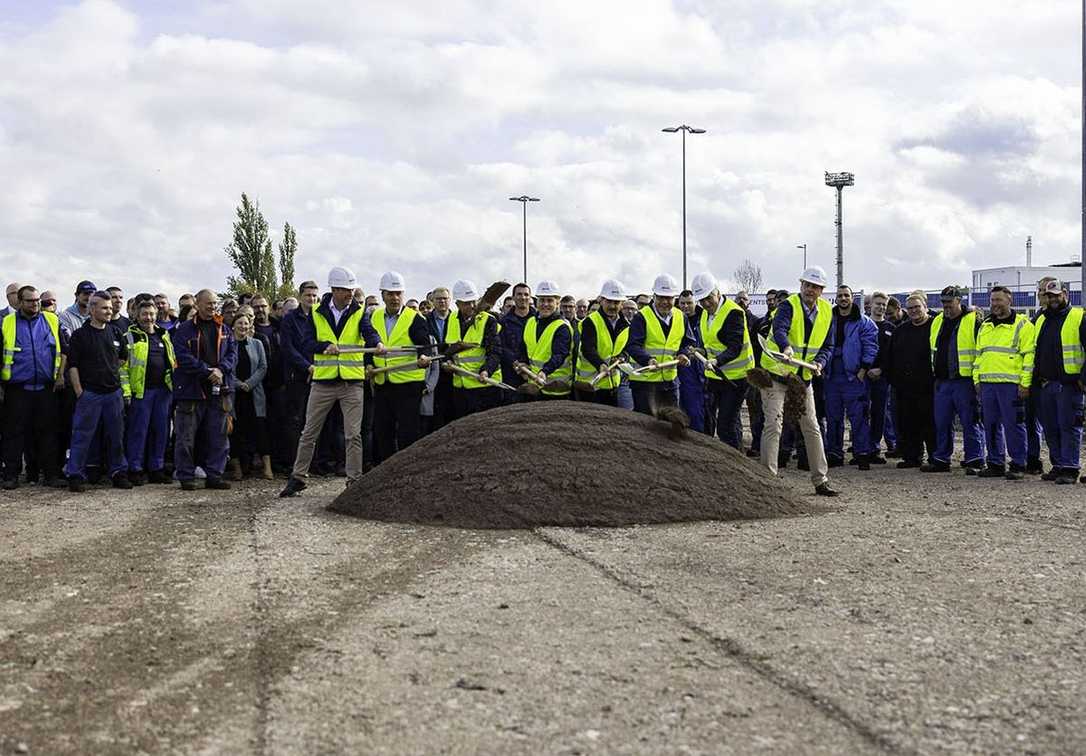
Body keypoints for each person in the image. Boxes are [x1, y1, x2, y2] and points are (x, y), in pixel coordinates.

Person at [758, 266, 837, 497]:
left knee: (811, 427)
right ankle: (768, 483)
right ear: (801, 285)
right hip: (776, 375)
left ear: (821, 290)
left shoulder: (826, 312)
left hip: (803, 379)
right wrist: (786, 347)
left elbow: (828, 346)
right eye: (807, 285)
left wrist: (821, 362)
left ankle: (821, 480)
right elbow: (779, 329)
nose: (810, 290)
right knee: (774, 425)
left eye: (815, 287)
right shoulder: (788, 305)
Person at [362, 271, 434, 463]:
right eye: (390, 294)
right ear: (383, 295)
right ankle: (384, 471)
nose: (395, 298)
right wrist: (368, 364)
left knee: (408, 432)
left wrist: (424, 356)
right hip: (382, 383)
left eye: (398, 293)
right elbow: (367, 347)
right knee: (382, 430)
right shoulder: (373, 317)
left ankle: (407, 468)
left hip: (408, 385)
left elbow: (424, 344)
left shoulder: (415, 318)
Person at [172, 289, 237, 491]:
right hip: (192, 391)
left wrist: (221, 370)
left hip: (219, 391)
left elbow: (233, 355)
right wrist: (207, 371)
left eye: (215, 303)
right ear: (197, 304)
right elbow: (183, 357)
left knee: (219, 436)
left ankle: (214, 475)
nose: (212, 307)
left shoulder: (225, 329)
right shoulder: (183, 330)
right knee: (186, 437)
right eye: (208, 303)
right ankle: (186, 475)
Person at [65, 291, 130, 492]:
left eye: (110, 308)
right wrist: (79, 392)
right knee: (82, 436)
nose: (109, 311)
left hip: (113, 394)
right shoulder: (80, 335)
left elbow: (121, 359)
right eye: (104, 308)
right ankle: (75, 474)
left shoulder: (116, 333)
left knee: (116, 436)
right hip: (89, 395)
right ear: (92, 309)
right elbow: (72, 366)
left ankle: (118, 472)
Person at [1, 286, 65, 488]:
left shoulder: (52, 320)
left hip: (46, 388)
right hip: (17, 389)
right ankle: (11, 476)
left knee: (47, 434)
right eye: (30, 301)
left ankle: (51, 475)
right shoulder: (7, 323)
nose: (35, 304)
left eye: (37, 300)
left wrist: (60, 375)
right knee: (14, 434)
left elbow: (63, 350)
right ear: (20, 302)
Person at [973, 286, 1035, 480]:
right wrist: (977, 379)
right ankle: (995, 463)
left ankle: (1018, 463)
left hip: (1011, 385)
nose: (995, 304)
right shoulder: (985, 325)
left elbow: (1029, 357)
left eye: (999, 300)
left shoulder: (1023, 325)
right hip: (987, 384)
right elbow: (978, 355)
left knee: (1014, 425)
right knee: (990, 425)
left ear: (1010, 301)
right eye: (992, 300)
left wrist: (1025, 384)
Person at [922, 285, 985, 474]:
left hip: (964, 381)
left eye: (949, 302)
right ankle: (941, 459)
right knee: (941, 422)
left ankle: (975, 459)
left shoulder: (974, 320)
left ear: (959, 300)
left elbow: (982, 349)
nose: (946, 306)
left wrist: (977, 378)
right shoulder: (938, 321)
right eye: (943, 302)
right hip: (942, 381)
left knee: (970, 421)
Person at [1032, 279, 1086, 485]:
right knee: (1050, 427)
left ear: (1065, 294)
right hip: (1045, 384)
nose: (1053, 299)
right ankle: (1058, 465)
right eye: (1049, 296)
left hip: (1069, 385)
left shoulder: (1079, 317)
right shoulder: (1041, 319)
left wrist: (1083, 378)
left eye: (1056, 295)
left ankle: (1070, 468)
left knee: (1069, 427)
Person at [691, 273, 753, 449]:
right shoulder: (704, 314)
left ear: (717, 292)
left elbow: (735, 347)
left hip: (736, 378)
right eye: (701, 300)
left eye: (708, 298)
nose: (706, 303)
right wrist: (700, 351)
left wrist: (717, 361)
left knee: (726, 425)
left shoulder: (734, 313)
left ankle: (735, 463)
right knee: (711, 419)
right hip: (715, 377)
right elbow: (712, 343)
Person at [823, 285, 879, 470]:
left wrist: (863, 369)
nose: (843, 298)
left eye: (846, 295)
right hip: (832, 374)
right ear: (836, 299)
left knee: (860, 417)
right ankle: (834, 453)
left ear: (852, 298)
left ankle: (862, 453)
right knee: (833, 416)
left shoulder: (864, 322)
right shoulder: (827, 320)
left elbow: (871, 346)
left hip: (854, 376)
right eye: (840, 295)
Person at [121, 299, 175, 485]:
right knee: (138, 432)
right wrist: (127, 392)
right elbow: (123, 368)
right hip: (140, 392)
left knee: (161, 432)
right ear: (136, 315)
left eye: (152, 314)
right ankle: (135, 469)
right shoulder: (129, 336)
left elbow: (171, 361)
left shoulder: (164, 335)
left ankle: (156, 468)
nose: (149, 318)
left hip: (163, 392)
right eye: (145, 314)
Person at [626, 274, 694, 416]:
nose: (665, 302)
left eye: (668, 298)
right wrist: (648, 359)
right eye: (661, 297)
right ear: (654, 296)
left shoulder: (681, 317)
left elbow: (687, 343)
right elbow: (633, 346)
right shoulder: (641, 317)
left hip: (670, 382)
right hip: (645, 383)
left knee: (670, 422)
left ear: (674, 298)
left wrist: (684, 354)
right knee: (647, 425)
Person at [884, 294, 936, 468]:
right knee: (908, 423)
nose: (914, 311)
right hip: (905, 387)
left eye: (917, 307)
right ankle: (912, 457)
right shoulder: (901, 330)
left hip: (929, 386)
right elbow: (890, 356)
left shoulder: (935, 326)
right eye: (911, 308)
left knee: (930, 424)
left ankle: (935, 457)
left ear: (925, 307)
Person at [444, 280, 503, 417]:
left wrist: (487, 370)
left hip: (485, 387)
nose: (471, 306)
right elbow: (448, 348)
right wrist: (447, 363)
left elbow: (495, 351)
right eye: (466, 303)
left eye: (473, 302)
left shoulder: (488, 320)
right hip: (460, 388)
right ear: (457, 303)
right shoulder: (451, 319)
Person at [229, 312, 273, 480]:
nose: (243, 327)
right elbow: (224, 367)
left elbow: (263, 366)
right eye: (239, 323)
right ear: (233, 325)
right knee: (236, 432)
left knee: (260, 430)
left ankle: (267, 468)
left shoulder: (257, 344)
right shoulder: (227, 345)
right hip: (235, 395)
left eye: (246, 324)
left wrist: (249, 383)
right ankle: (237, 469)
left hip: (254, 394)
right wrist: (239, 384)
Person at [516, 280, 574, 401]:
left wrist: (544, 371)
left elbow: (560, 354)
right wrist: (522, 362)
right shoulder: (531, 322)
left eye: (550, 300)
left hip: (557, 389)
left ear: (557, 303)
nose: (545, 304)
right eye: (542, 300)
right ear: (536, 302)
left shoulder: (562, 327)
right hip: (535, 387)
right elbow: (524, 347)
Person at [575, 279, 630, 406]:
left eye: (616, 302)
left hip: (612, 384)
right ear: (601, 300)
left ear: (622, 303)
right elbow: (588, 348)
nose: (612, 306)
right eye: (609, 301)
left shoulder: (626, 324)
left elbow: (626, 348)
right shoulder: (591, 321)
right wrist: (600, 364)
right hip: (589, 385)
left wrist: (623, 357)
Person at [250, 294, 286, 472]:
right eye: (256, 307)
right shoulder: (251, 330)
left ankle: (279, 460)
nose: (260, 310)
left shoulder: (279, 327)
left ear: (268, 308)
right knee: (261, 423)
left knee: (279, 421)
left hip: (279, 382)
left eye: (262, 306)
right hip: (258, 384)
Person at [867, 291, 897, 461]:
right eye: (878, 304)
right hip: (862, 376)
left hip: (881, 378)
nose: (881, 307)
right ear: (871, 305)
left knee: (879, 414)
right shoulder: (861, 325)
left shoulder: (891, 329)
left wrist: (881, 370)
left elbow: (892, 355)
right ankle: (861, 448)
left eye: (884, 305)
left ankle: (874, 448)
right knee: (861, 413)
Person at [675, 289, 706, 432]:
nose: (685, 306)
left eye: (689, 303)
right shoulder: (675, 319)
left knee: (697, 411)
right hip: (679, 367)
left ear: (695, 303)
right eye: (682, 303)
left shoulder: (704, 318)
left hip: (698, 371)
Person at [425, 286, 455, 432]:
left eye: (445, 298)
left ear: (450, 300)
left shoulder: (456, 319)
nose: (442, 301)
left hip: (453, 371)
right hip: (433, 372)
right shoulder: (425, 320)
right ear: (432, 301)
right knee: (435, 413)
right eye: (438, 299)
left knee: (452, 411)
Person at [499, 283, 536, 394]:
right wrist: (517, 364)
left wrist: (528, 366)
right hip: (511, 374)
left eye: (526, 294)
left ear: (530, 297)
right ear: (514, 297)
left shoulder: (539, 319)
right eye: (519, 294)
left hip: (535, 372)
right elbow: (502, 346)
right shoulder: (503, 322)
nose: (523, 297)